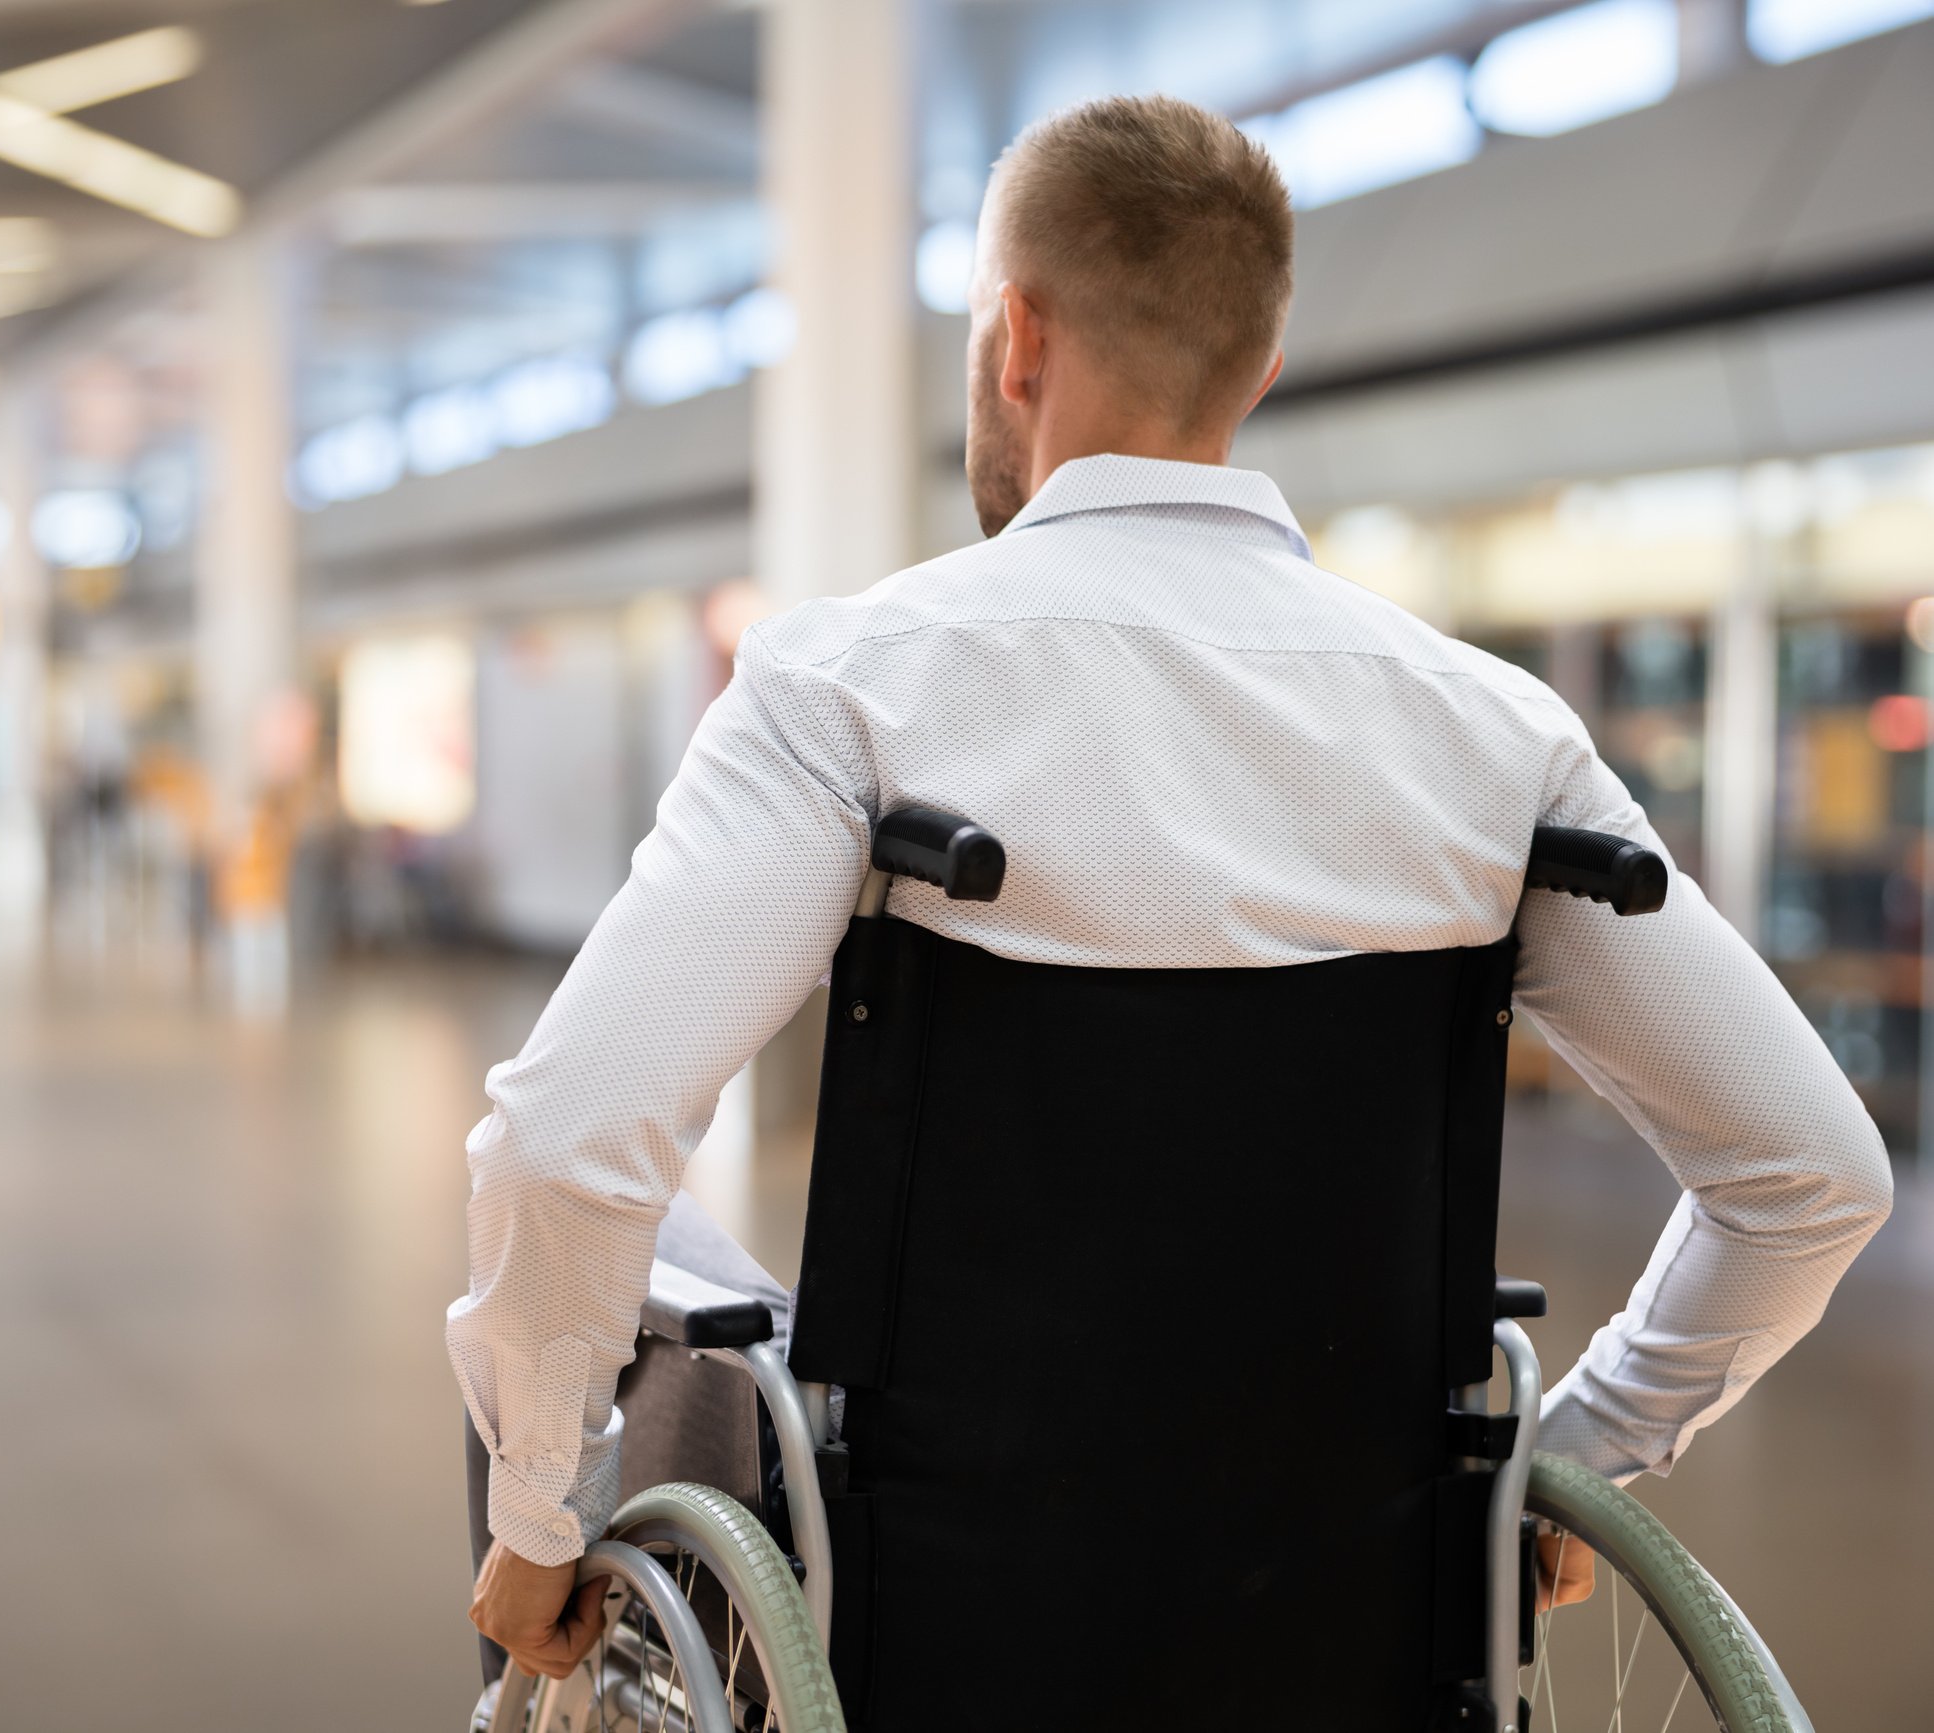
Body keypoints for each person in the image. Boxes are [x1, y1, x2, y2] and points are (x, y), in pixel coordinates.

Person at [452, 95, 1892, 1681]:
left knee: (665, 1283)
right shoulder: (1496, 737)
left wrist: (539, 1516)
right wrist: (1579, 1454)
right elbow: (1808, 1170)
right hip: (1350, 1622)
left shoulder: (851, 689)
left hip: (937, 1622)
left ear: (1015, 337)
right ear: (1256, 370)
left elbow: (567, 1138)